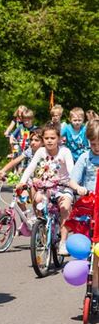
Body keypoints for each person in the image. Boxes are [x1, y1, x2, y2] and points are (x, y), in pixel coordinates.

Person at [16, 123, 74, 255]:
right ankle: (42, 228)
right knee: (37, 198)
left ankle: (63, 242)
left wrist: (72, 183)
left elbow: (71, 170)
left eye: (52, 138)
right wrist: (22, 182)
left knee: (65, 206)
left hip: (63, 186)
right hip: (46, 187)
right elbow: (30, 167)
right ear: (43, 140)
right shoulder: (41, 152)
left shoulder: (65, 152)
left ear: (59, 139)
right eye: (46, 138)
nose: (49, 141)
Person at [67, 120, 99, 296]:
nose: (96, 147)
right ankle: (94, 288)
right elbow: (73, 179)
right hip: (89, 206)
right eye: (93, 143)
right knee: (92, 250)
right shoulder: (85, 157)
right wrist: (78, 187)